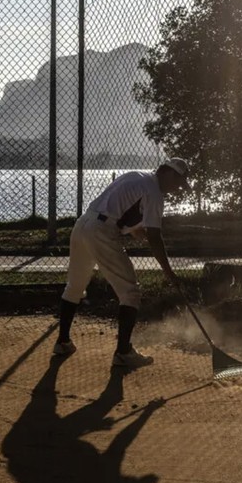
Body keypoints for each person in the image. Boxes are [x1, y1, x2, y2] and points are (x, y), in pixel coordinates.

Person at [54, 157, 189, 368]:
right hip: (102, 233)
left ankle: (62, 342)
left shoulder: (137, 175)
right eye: (178, 182)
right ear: (169, 173)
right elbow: (155, 237)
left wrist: (134, 229)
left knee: (74, 286)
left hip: (83, 225)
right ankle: (123, 353)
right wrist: (169, 273)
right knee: (131, 293)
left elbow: (117, 206)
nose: (177, 189)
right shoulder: (155, 193)